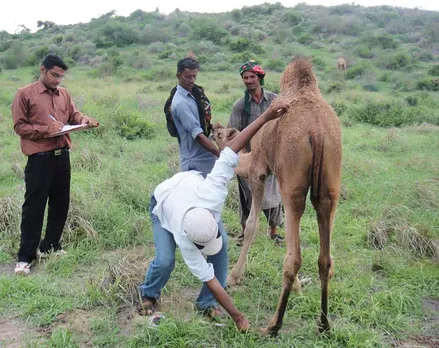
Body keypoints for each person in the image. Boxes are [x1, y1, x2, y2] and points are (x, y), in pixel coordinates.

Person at [138, 99, 290, 332]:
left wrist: (267, 116)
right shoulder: (184, 239)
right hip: (164, 202)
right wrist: (238, 316)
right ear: (192, 242)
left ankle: (205, 302)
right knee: (166, 260)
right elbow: (208, 278)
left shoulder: (213, 194)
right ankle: (148, 293)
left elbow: (233, 147)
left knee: (221, 250)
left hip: (193, 192)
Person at [12, 54, 99, 275]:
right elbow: (19, 127)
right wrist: (45, 130)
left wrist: (83, 120)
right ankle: (25, 257)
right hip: (39, 158)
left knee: (60, 203)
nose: (58, 80)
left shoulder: (64, 94)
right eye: (54, 75)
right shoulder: (25, 94)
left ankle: (51, 246)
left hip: (62, 157)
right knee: (34, 207)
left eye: (61, 76)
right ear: (43, 70)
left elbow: (73, 114)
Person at [228, 60, 284, 244]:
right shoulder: (239, 106)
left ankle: (273, 232)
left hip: (271, 155)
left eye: (252, 77)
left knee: (273, 194)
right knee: (247, 196)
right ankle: (245, 233)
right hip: (249, 157)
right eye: (245, 78)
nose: (249, 81)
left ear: (259, 78)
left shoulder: (275, 100)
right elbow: (234, 133)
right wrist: (243, 156)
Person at [171, 57, 220, 179]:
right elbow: (198, 135)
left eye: (194, 76)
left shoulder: (194, 94)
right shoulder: (180, 103)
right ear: (178, 76)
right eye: (187, 77)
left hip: (207, 157)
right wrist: (221, 155)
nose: (191, 80)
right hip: (195, 161)